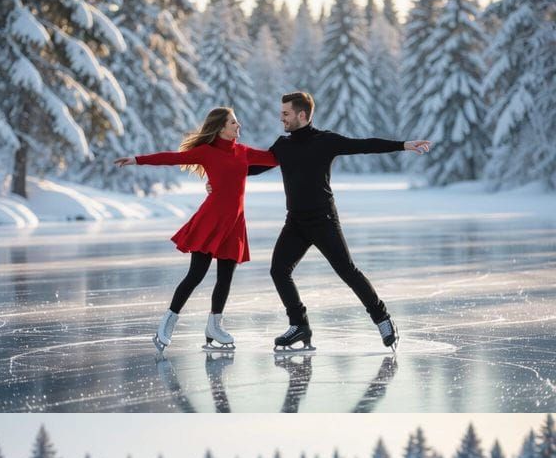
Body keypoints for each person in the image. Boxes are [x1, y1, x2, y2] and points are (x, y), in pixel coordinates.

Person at [258, 92, 432, 351]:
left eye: (285, 113)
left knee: (347, 271)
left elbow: (364, 145)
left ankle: (382, 318)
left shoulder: (325, 141)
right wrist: (219, 174)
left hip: (323, 220)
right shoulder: (282, 146)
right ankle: (300, 325)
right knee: (279, 270)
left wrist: (403, 144)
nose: (280, 117)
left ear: (302, 115)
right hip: (295, 222)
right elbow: (255, 165)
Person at [115, 108, 277, 352]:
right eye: (233, 122)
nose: (238, 125)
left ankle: (214, 325)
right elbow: (172, 158)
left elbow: (274, 158)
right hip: (211, 220)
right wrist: (138, 159)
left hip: (234, 224)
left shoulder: (244, 153)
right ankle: (167, 321)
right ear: (221, 127)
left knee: (226, 278)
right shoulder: (207, 152)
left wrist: (295, 142)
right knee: (196, 275)